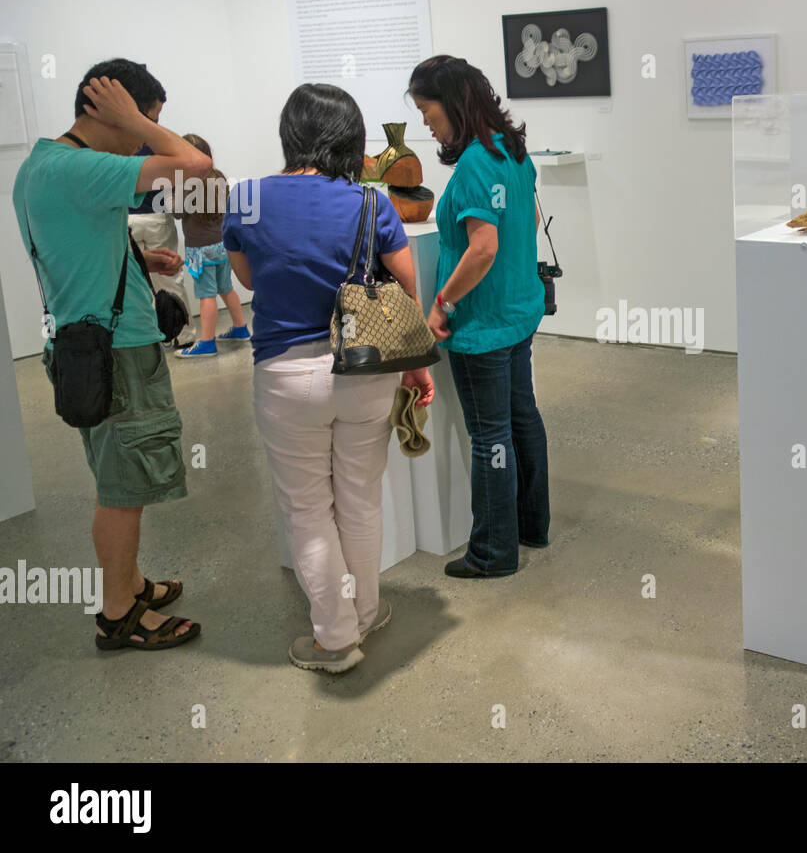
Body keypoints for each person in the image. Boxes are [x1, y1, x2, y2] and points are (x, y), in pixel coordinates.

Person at [224, 83, 434, 674]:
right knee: (362, 500)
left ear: (290, 133)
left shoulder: (246, 199)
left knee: (308, 509)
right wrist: (415, 366)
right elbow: (405, 296)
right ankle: (365, 612)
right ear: (352, 136)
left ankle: (337, 639)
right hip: (364, 371)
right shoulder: (372, 204)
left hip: (286, 374)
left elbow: (247, 281)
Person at [12, 58, 209, 651]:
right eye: (150, 118)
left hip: (81, 344)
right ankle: (119, 613)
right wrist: (135, 120)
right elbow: (197, 170)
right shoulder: (85, 167)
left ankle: (131, 584)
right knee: (123, 489)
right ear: (114, 110)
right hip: (118, 352)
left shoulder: (41, 165)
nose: (150, 129)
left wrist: (141, 262)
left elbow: (74, 245)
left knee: (115, 474)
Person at [408, 55, 551, 578]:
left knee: (490, 436)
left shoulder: (473, 163)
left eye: (428, 111)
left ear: (453, 102)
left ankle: (493, 552)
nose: (426, 122)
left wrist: (441, 303)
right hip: (518, 310)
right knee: (521, 419)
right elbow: (528, 219)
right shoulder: (511, 151)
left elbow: (482, 248)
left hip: (483, 323)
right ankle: (532, 527)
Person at [173, 133, 250, 357]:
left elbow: (177, 212)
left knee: (206, 294)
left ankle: (207, 342)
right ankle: (240, 327)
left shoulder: (186, 184)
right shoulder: (218, 177)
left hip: (199, 251)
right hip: (223, 246)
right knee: (226, 288)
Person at [128, 145, 198, 350]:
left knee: (135, 280)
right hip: (156, 216)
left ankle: (152, 335)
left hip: (127, 218)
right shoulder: (155, 144)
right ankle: (183, 335)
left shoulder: (118, 146)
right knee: (169, 275)